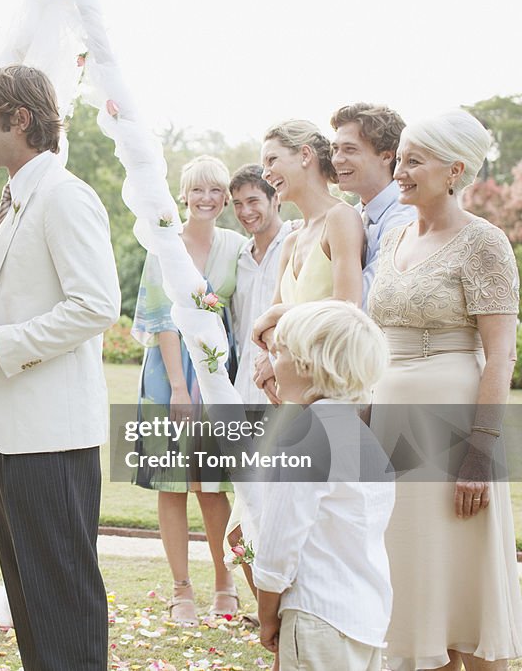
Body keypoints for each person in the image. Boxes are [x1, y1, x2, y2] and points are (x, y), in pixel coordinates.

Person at [0, 65, 121, 670]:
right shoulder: (14, 197)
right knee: (29, 591)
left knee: (62, 590)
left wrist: (2, 342)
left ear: (18, 119)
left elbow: (97, 305)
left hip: (51, 431)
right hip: (4, 420)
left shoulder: (65, 196)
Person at [369, 110, 522, 670]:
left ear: (455, 169)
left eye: (414, 160)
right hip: (389, 425)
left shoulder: (484, 242)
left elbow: (500, 353)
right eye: (399, 158)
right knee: (407, 576)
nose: (400, 170)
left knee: (460, 585)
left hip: (454, 429)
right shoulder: (392, 236)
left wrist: (480, 452)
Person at [130, 155, 245, 624]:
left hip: (217, 374)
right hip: (170, 375)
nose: (206, 199)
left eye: (215, 190)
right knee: (171, 482)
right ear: (183, 195)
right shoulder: (165, 246)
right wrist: (179, 388)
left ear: (226, 198)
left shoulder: (235, 246)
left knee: (212, 484)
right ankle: (181, 591)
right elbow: (161, 320)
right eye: (197, 190)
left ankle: (225, 581)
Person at [254, 300, 395, 671]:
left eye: (279, 352)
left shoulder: (303, 436)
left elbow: (278, 543)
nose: (273, 363)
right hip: (365, 617)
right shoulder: (366, 439)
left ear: (306, 364)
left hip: (317, 614)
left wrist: (267, 615)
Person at [252, 120, 364, 403]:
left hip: (329, 389)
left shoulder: (341, 218)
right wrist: (272, 362)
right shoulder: (290, 241)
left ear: (304, 155)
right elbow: (266, 330)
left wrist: (279, 318)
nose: (265, 173)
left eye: (272, 159)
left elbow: (346, 312)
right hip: (291, 391)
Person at [329, 103, 416, 307]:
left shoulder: (407, 219)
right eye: (335, 149)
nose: (337, 160)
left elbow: (369, 301)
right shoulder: (353, 216)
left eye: (349, 149)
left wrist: (286, 314)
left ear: (387, 156)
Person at [229, 164, 292, 405]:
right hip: (244, 389)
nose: (245, 211)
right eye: (237, 204)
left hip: (283, 387)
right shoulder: (240, 257)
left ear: (275, 198)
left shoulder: (296, 243)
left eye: (253, 201)